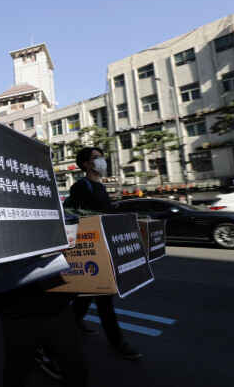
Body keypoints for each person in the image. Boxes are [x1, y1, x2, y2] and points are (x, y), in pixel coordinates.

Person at [66, 147, 142, 360]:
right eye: (97, 158)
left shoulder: (101, 187)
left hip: (106, 246)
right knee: (103, 296)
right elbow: (76, 214)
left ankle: (74, 321)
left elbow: (106, 215)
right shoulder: (81, 185)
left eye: (101, 157)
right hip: (92, 248)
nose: (102, 161)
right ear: (87, 165)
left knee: (88, 292)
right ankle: (117, 342)